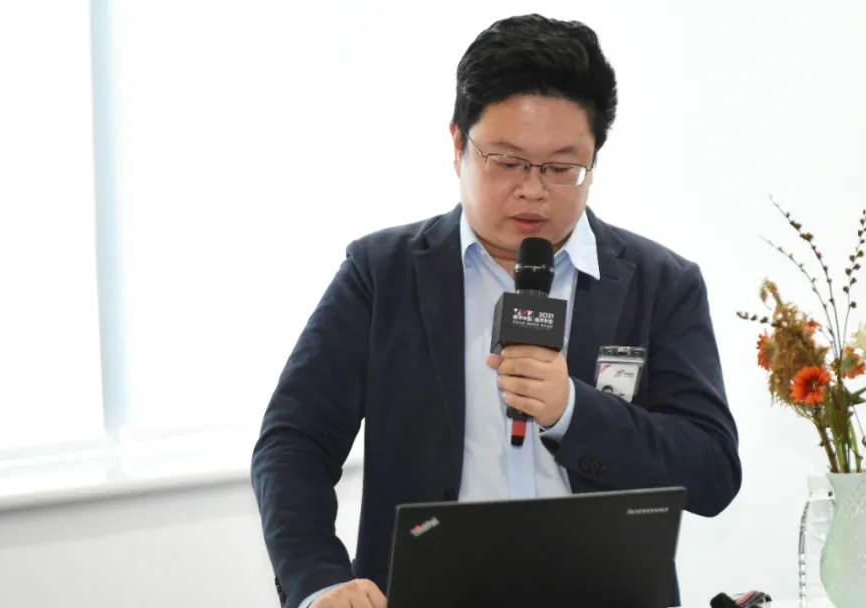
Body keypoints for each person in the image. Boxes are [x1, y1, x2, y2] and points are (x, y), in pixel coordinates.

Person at [251, 13, 741, 608]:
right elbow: (293, 443)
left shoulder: (661, 284)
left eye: (562, 168)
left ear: (595, 161)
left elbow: (712, 470)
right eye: (507, 161)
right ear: (458, 145)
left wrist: (572, 410)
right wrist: (321, 581)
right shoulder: (381, 275)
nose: (533, 189)